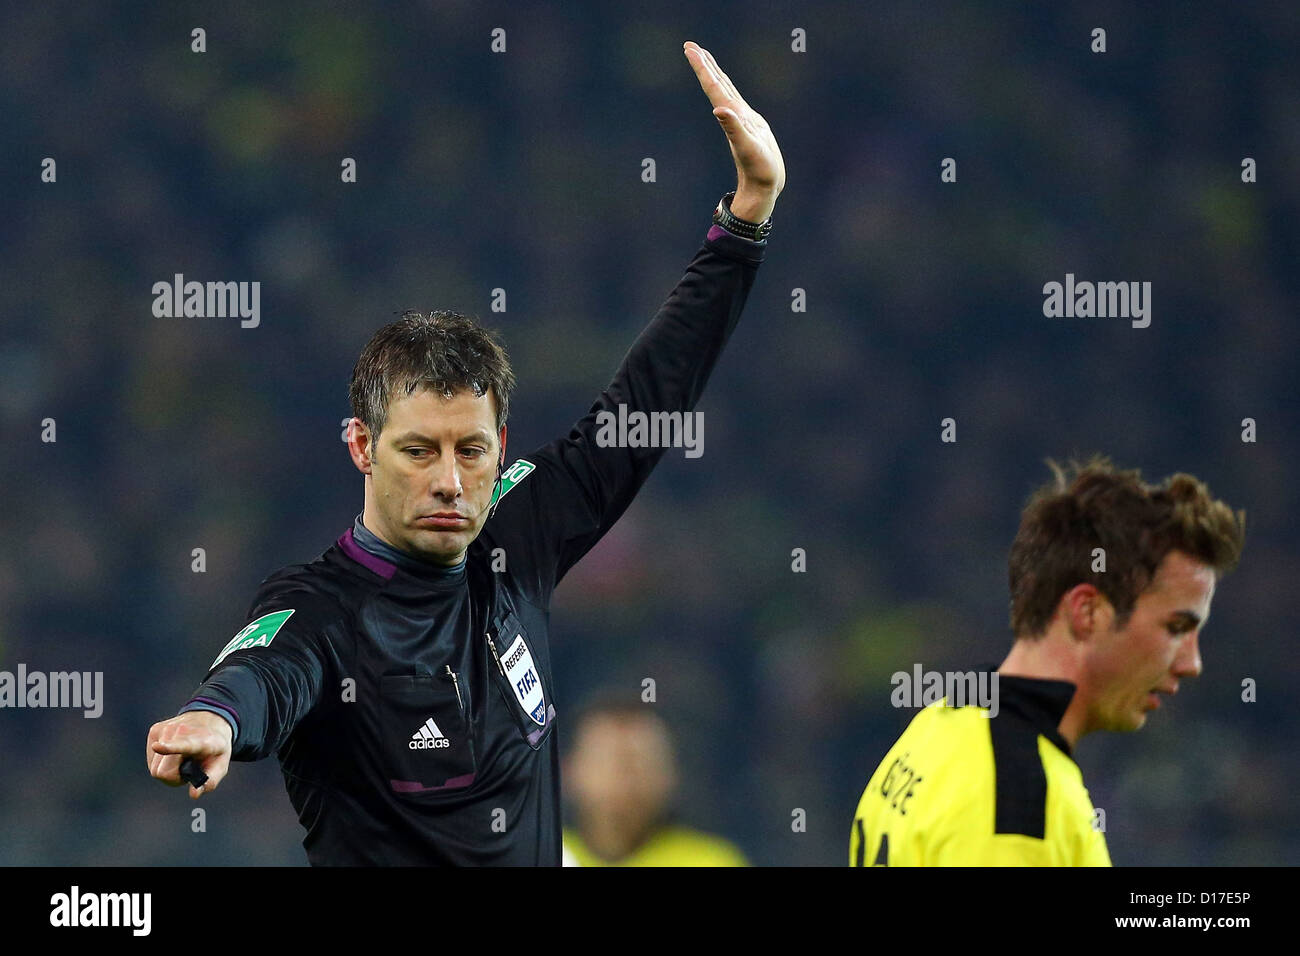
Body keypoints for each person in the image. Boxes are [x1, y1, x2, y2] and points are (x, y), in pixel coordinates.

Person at [145, 40, 785, 866]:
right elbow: (263, 673)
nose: (450, 480)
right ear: (361, 447)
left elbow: (645, 404)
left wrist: (747, 217)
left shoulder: (518, 530)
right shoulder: (324, 614)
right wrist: (214, 719)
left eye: (471, 451)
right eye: (418, 450)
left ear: (501, 448)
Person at [850, 457, 1245, 866]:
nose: (1192, 663)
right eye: (1176, 627)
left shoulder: (942, 719)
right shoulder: (1020, 809)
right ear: (1087, 612)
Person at [561, 694, 748, 866]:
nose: (625, 780)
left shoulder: (712, 861)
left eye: (642, 762)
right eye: (609, 760)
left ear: (671, 773)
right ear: (569, 770)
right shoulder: (543, 854)